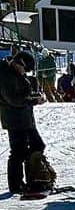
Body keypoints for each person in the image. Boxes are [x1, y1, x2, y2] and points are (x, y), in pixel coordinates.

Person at [0, 49, 47, 195]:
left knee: (37, 145)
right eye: (24, 69)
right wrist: (34, 100)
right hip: (14, 118)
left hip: (25, 117)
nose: (24, 72)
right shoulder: (5, 75)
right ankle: (16, 184)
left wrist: (36, 95)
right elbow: (13, 99)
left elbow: (23, 93)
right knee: (18, 151)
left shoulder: (16, 73)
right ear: (18, 63)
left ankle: (33, 177)